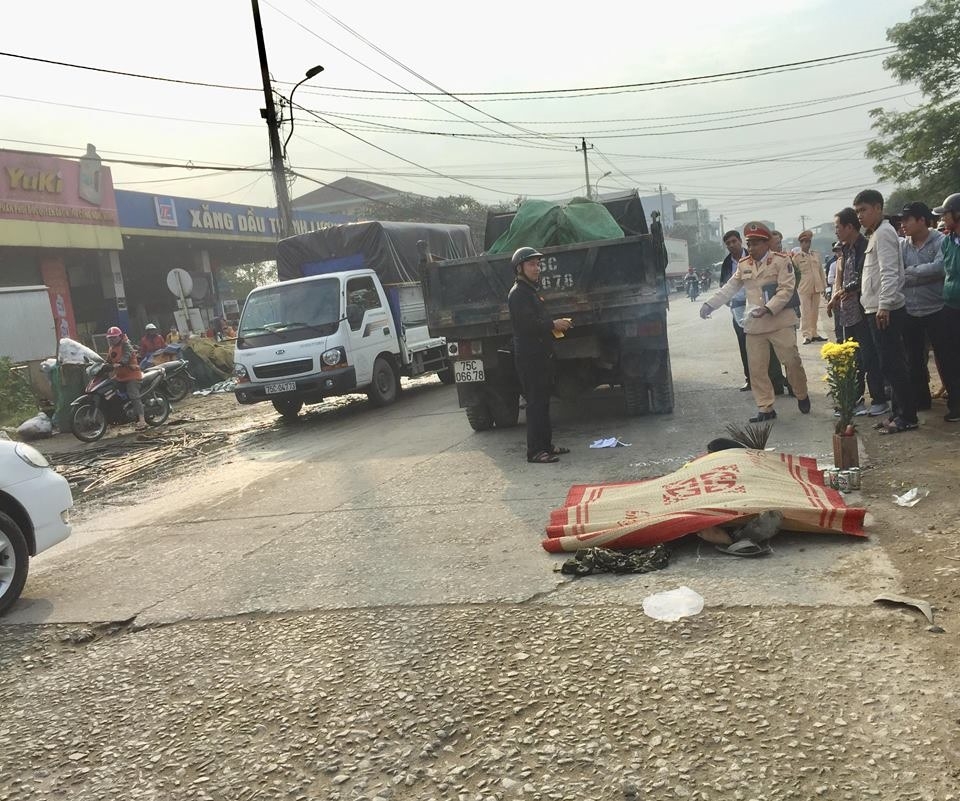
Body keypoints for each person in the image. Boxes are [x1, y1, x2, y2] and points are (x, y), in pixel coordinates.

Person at [700, 222, 810, 422]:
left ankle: (801, 393)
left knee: (792, 362)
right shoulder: (744, 264)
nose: (751, 248)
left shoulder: (781, 261)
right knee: (757, 368)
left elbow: (786, 290)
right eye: (749, 244)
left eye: (756, 244)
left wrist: (768, 308)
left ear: (767, 244)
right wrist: (709, 305)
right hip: (755, 325)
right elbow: (729, 288)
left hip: (779, 321)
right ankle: (765, 407)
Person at [853, 189, 918, 434]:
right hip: (874, 308)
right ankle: (897, 412)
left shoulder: (885, 233)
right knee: (887, 364)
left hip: (886, 310)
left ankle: (908, 416)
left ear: (878, 208)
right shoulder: (875, 234)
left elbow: (890, 273)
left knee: (893, 364)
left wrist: (884, 305)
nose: (860, 215)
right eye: (858, 211)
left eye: (864, 210)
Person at [507, 247, 572, 464]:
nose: (537, 268)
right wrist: (553, 323)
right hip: (529, 357)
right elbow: (528, 325)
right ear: (519, 268)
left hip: (541, 355)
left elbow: (538, 320)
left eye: (538, 264)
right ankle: (535, 451)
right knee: (535, 404)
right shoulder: (518, 294)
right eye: (531, 264)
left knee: (543, 402)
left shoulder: (530, 291)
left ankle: (546, 445)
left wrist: (553, 325)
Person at [829, 207, 888, 417]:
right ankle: (855, 400)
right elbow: (842, 276)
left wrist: (844, 290)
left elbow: (864, 276)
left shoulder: (864, 245)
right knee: (852, 359)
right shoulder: (845, 249)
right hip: (848, 312)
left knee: (869, 356)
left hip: (864, 309)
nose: (836, 231)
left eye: (838, 227)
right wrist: (836, 294)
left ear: (849, 227)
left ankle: (879, 399)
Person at [899, 202, 953, 415]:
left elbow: (940, 268)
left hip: (937, 308)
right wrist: (923, 275)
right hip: (911, 309)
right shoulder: (903, 245)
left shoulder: (941, 241)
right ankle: (921, 401)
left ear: (922, 220)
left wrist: (910, 273)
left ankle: (955, 404)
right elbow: (898, 272)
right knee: (914, 359)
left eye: (907, 220)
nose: (903, 225)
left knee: (945, 357)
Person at [720, 230, 786, 394]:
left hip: (759, 307)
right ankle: (750, 379)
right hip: (738, 308)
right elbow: (725, 284)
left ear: (740, 241)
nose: (731, 245)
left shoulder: (754, 257)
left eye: (734, 241)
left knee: (768, 344)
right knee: (745, 345)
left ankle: (777, 381)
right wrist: (725, 301)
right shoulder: (727, 263)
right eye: (728, 243)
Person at [932, 192, 960, 421]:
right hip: (950, 306)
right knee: (948, 357)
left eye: (946, 214)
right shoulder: (948, 242)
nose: (943, 220)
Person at [106, 325, 146, 431]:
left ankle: (142, 420)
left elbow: (127, 356)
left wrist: (121, 363)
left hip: (132, 375)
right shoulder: (111, 348)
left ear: (120, 336)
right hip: (120, 376)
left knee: (134, 396)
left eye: (114, 337)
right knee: (109, 390)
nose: (112, 339)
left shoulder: (126, 345)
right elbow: (108, 360)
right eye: (110, 338)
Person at [793, 230, 828, 343]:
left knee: (815, 312)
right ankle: (806, 335)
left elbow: (821, 272)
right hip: (804, 288)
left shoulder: (815, 254)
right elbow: (794, 274)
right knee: (805, 312)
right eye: (804, 242)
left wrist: (824, 286)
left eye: (808, 241)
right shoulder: (797, 257)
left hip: (816, 286)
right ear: (801, 244)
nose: (807, 244)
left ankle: (814, 333)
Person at [825, 241, 844, 343]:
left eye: (840, 250)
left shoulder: (849, 261)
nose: (838, 253)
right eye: (836, 251)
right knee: (838, 319)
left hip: (847, 294)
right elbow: (830, 280)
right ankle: (839, 339)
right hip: (837, 294)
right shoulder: (832, 264)